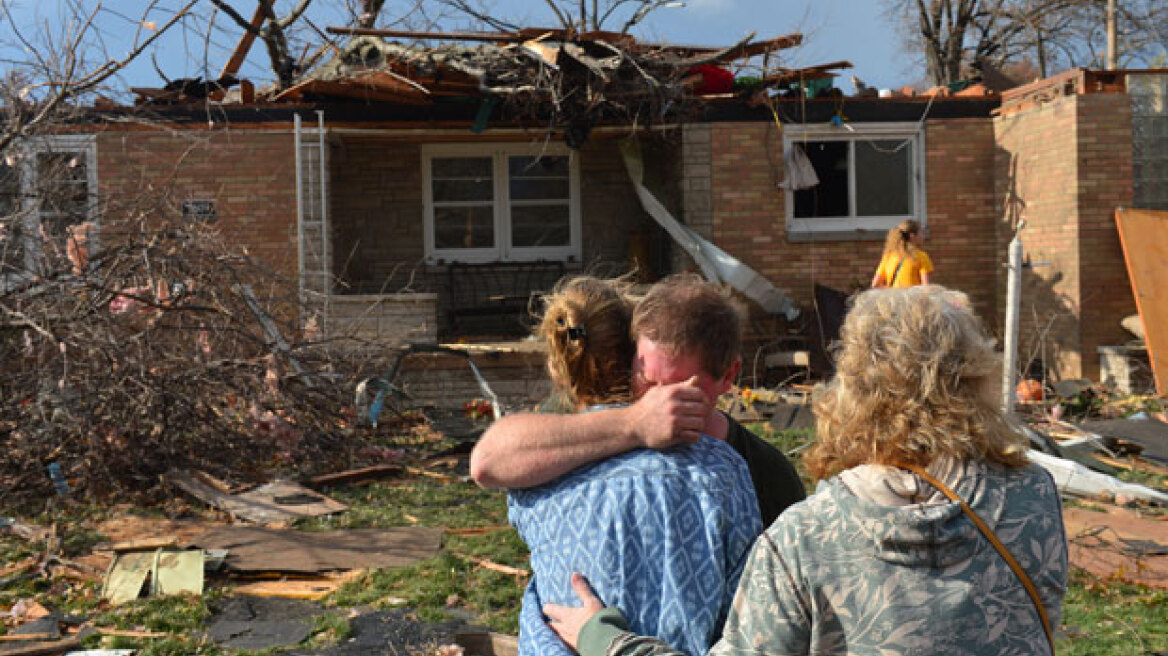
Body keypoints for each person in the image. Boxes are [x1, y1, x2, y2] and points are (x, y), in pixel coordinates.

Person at [546, 285, 1069, 656]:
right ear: (976, 375)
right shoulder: (1033, 499)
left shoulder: (803, 536)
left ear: (853, 387)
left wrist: (606, 640)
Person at [509, 275, 762, 656]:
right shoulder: (724, 473)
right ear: (631, 359)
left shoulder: (543, 462)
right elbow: (751, 623)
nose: (663, 407)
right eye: (650, 381)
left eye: (679, 388)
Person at [471, 274, 806, 528]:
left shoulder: (765, 474)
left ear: (728, 376)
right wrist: (633, 425)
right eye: (646, 379)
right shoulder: (592, 422)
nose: (658, 402)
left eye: (678, 387)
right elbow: (488, 462)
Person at [871, 219, 933, 288]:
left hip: (893, 297)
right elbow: (925, 287)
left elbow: (875, 284)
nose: (923, 236)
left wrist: (893, 291)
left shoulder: (889, 256)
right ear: (912, 236)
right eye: (921, 233)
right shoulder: (921, 256)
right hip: (912, 298)